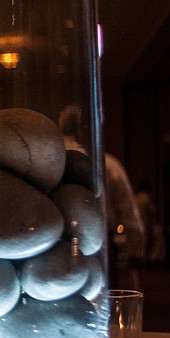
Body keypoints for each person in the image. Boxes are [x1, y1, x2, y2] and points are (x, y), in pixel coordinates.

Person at [59, 105, 145, 289]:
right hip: (95, 240)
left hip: (64, 239)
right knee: (99, 291)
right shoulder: (109, 165)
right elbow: (127, 209)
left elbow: (127, 209)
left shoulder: (55, 160)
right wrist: (136, 249)